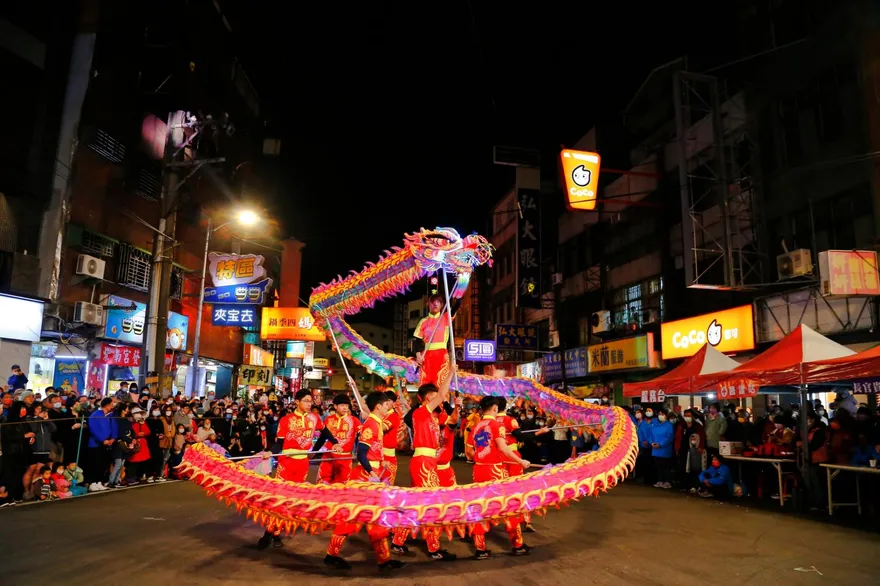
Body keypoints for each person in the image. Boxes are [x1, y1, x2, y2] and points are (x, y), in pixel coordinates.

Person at [324, 391, 406, 573]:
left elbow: (371, 451)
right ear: (378, 406)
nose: (388, 408)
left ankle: (384, 560)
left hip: (372, 477)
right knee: (351, 518)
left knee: (376, 520)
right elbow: (361, 453)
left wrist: (380, 461)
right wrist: (371, 471)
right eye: (386, 405)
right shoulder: (371, 425)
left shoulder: (376, 424)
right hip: (364, 478)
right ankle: (331, 555)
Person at [260, 389, 340, 549]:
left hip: (303, 463)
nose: (309, 404)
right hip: (286, 462)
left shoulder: (315, 418)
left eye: (311, 401)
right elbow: (279, 444)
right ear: (297, 402)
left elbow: (325, 432)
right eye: (306, 401)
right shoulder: (286, 420)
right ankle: (270, 533)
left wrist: (335, 442)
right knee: (280, 498)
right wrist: (270, 451)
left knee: (293, 499)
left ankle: (277, 531)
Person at [393, 367, 456, 561]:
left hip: (427, 462)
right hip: (423, 463)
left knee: (417, 503)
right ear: (427, 398)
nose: (439, 397)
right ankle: (433, 548)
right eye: (435, 395)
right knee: (431, 504)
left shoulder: (433, 417)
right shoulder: (420, 413)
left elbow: (453, 420)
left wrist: (457, 406)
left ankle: (398, 540)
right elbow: (444, 394)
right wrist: (451, 372)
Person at [469, 396, 531, 559]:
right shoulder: (496, 425)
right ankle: (517, 544)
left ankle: (480, 547)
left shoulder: (475, 427)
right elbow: (503, 448)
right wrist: (520, 461)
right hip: (495, 471)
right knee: (509, 505)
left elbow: (470, 453)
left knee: (480, 508)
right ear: (495, 408)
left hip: (478, 470)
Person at [412, 294, 459, 386]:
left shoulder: (446, 318)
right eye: (433, 302)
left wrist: (460, 289)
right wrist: (418, 355)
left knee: (441, 382)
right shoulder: (423, 321)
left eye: (439, 302)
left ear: (442, 305)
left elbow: (457, 305)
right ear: (428, 304)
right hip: (427, 355)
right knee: (425, 382)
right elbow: (417, 340)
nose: (435, 304)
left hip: (442, 354)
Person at [319, 394, 361, 484]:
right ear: (335, 406)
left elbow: (363, 434)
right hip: (328, 456)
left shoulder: (354, 420)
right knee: (323, 483)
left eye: (346, 405)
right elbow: (322, 437)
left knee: (343, 485)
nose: (345, 408)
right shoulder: (328, 419)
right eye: (342, 405)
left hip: (345, 458)